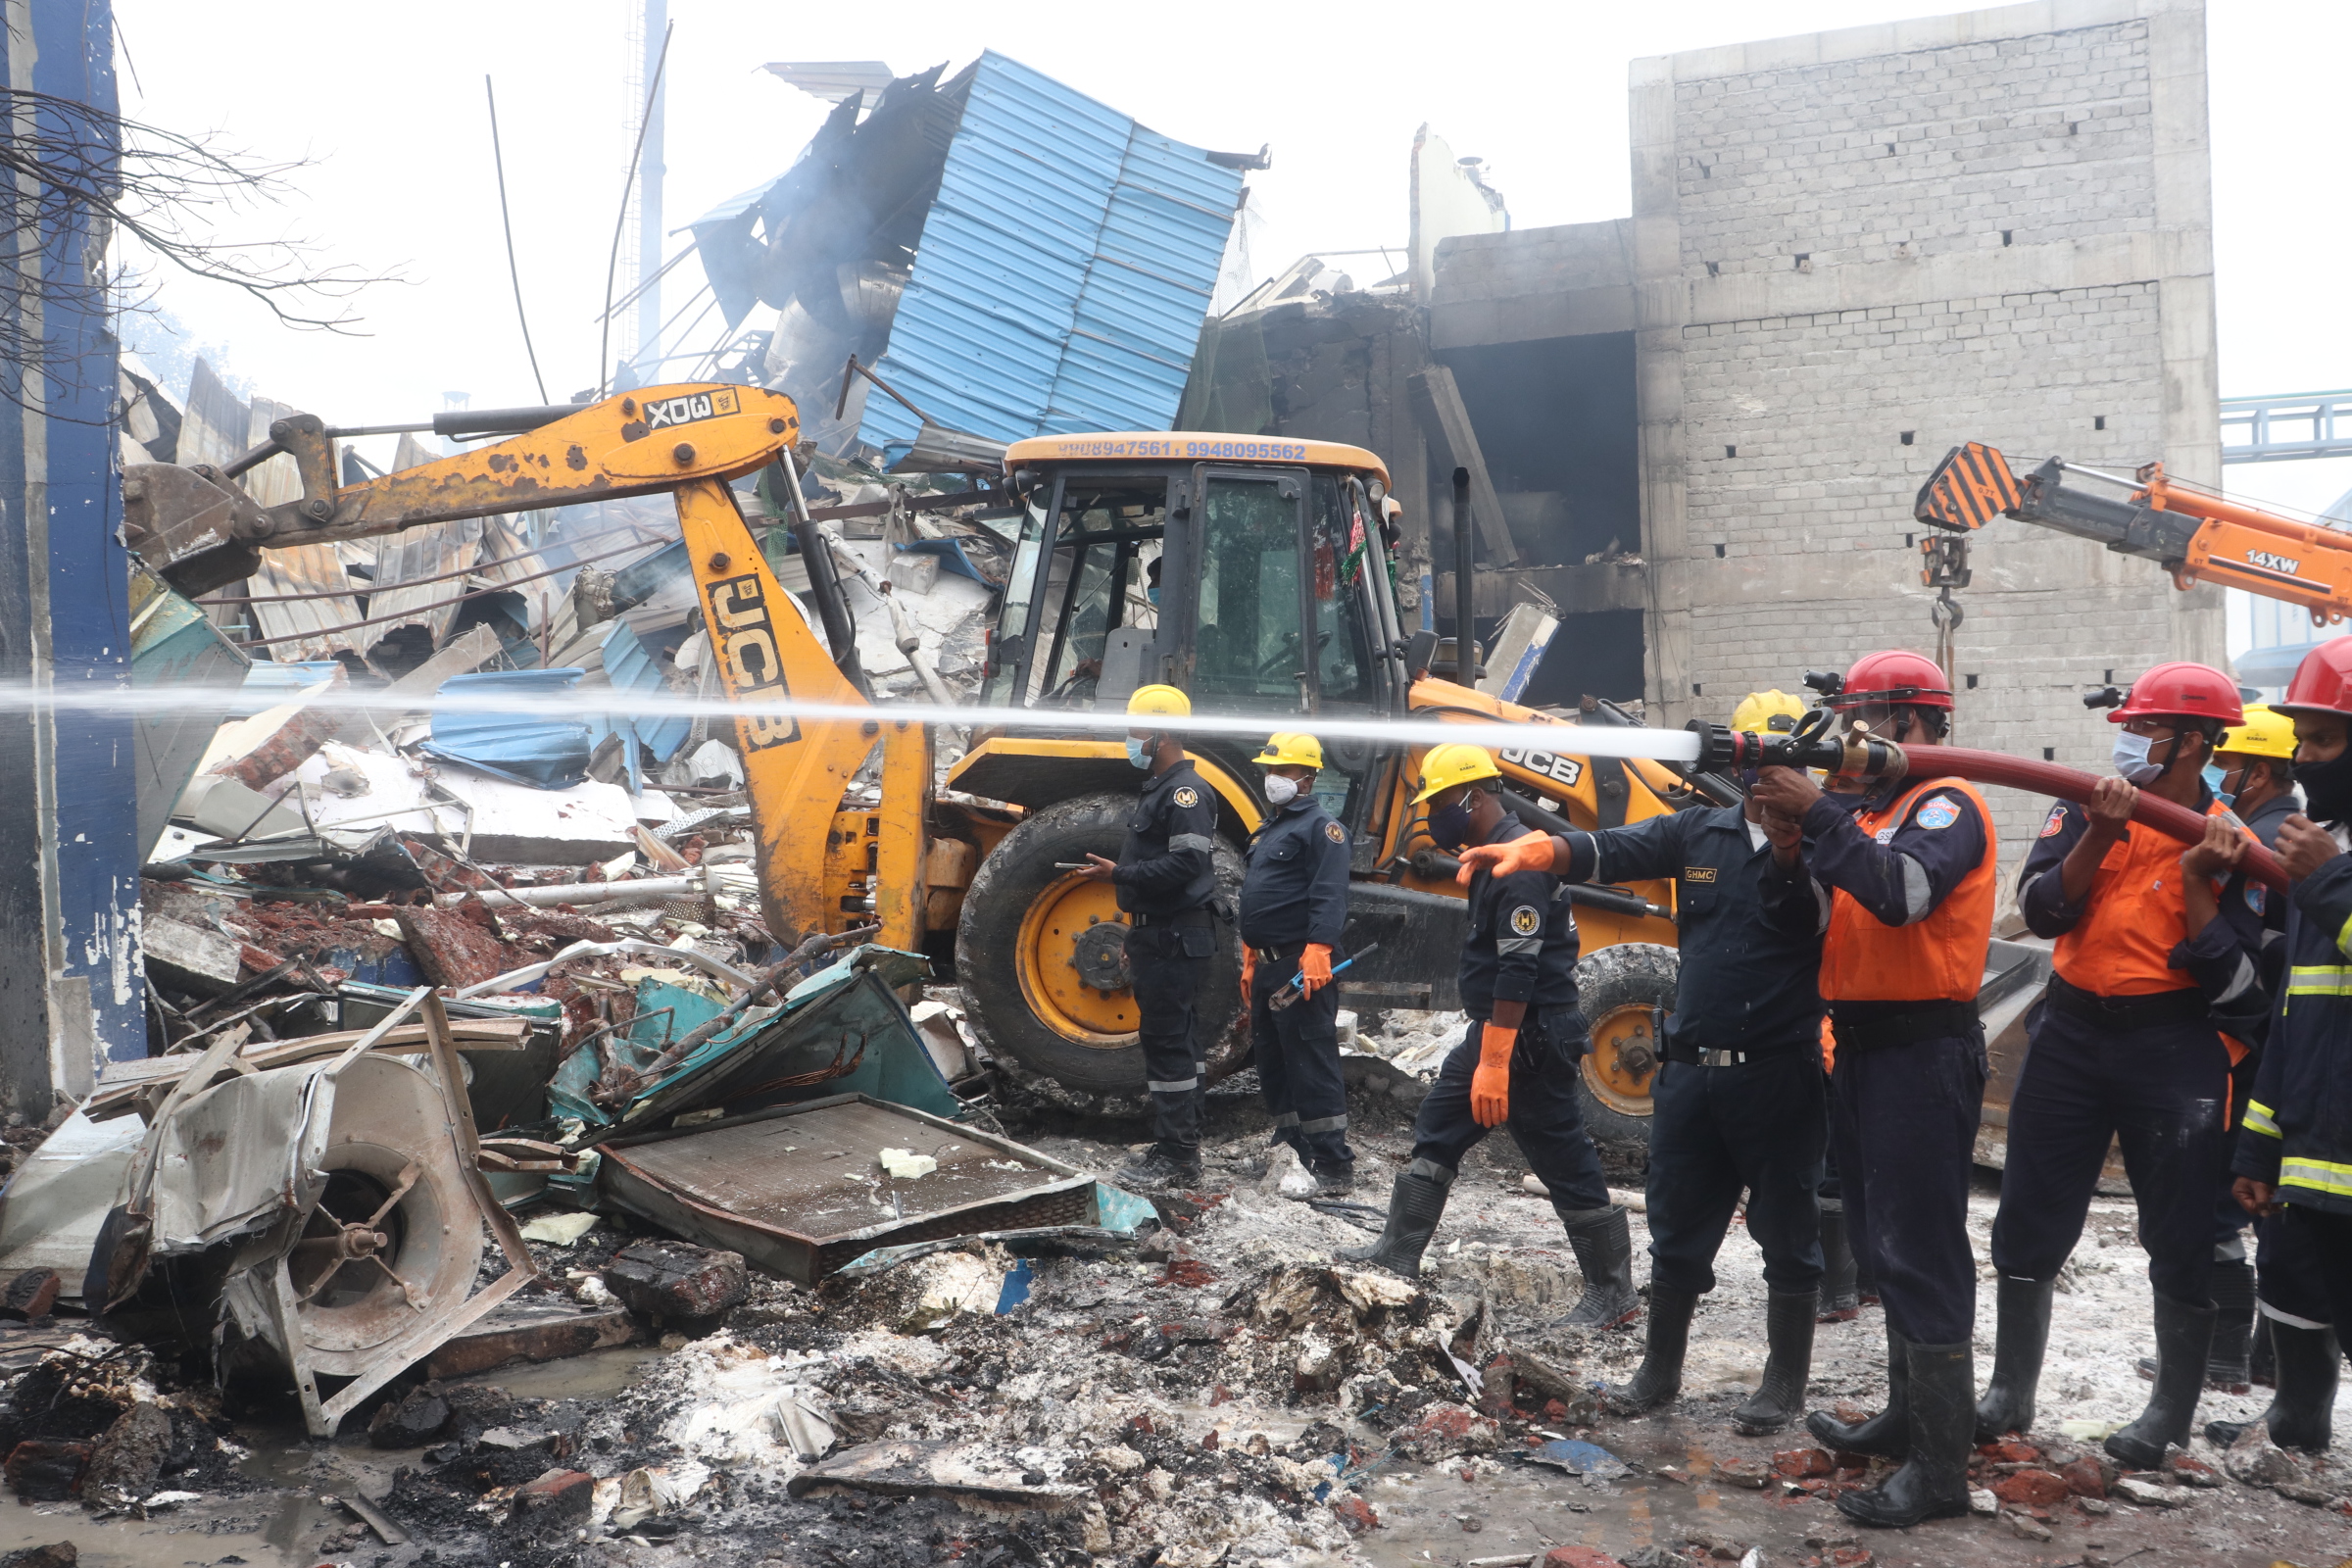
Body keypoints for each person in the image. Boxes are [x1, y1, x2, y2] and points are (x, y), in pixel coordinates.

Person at [1978, 662, 2267, 1470]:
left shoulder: (2228, 842)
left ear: (2193, 742)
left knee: (2180, 1226)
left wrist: (2201, 881)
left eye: (2144, 728)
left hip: (2172, 1046)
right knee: (2029, 1212)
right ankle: (2010, 1391)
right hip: (2072, 1034)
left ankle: (2169, 1413)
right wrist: (2101, 834)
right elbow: (2041, 912)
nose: (2128, 741)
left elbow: (2240, 988)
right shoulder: (2083, 809)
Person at [1747, 649, 1996, 1530]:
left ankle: (1941, 1471)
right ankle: (1907, 1419)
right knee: (1883, 1244)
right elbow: (1800, 921)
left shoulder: (1947, 804)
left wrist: (1819, 814)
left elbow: (1901, 895)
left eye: (1860, 718)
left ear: (1908, 720)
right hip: (1861, 1052)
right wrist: (1788, 848)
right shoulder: (1867, 813)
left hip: (1922, 1054)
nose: (1847, 735)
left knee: (1921, 1248)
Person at [1548, 690, 1831, 1434]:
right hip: (1692, 1076)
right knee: (1676, 1230)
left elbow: (1813, 916)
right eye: (1760, 765)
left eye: (1787, 766)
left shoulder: (1830, 845)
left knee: (1788, 1235)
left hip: (1776, 1075)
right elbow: (1610, 850)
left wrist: (1795, 843)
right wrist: (1541, 851)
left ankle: (1783, 1385)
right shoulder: (1698, 833)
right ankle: (1659, 1372)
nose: (1771, 780)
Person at [1343, 744, 1638, 1328]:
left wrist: (1496, 1062)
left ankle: (1613, 1293)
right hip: (1501, 1031)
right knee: (1439, 1127)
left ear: (1474, 797)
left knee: (1562, 1158)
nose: (1434, 816)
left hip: (1530, 1036)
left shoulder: (1520, 865)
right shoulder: (1497, 857)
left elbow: (1518, 970)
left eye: (1441, 803)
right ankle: (1397, 1254)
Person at [2230, 639, 2352, 1454]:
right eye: (2301, 739)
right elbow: (2295, 1011)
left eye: (2324, 741)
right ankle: (2295, 1429)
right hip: (2314, 1146)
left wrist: (2329, 881)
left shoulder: (2321, 863)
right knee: (2294, 1285)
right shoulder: (2323, 845)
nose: (2303, 759)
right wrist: (2260, 1146)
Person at [1075, 684, 1219, 1189]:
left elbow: (1187, 863)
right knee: (1178, 1041)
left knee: (1167, 1043)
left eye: (1136, 730)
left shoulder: (1185, 792)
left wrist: (1119, 874)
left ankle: (1178, 1158)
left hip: (1172, 937)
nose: (1130, 739)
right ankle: (1183, 1141)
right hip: (1161, 935)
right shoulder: (1163, 789)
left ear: (1160, 734)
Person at [1239, 731, 1354, 1194]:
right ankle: (1292, 1148)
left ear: (1307, 777)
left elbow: (1330, 892)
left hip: (1300, 963)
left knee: (1311, 1060)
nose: (1273, 778)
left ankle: (1333, 1163)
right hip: (1269, 965)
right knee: (1274, 1060)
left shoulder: (1322, 829)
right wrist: (1250, 958)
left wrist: (1320, 947)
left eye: (1282, 770)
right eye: (1270, 770)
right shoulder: (1270, 829)